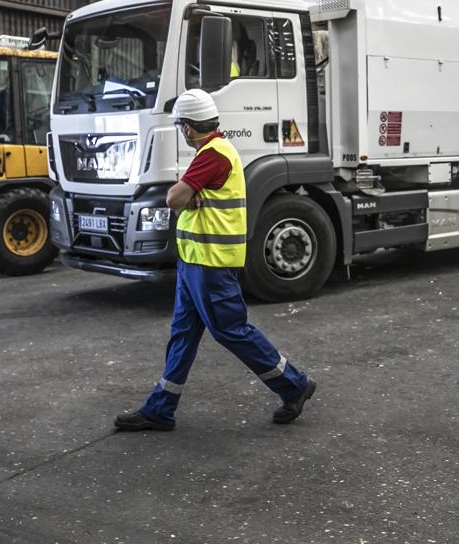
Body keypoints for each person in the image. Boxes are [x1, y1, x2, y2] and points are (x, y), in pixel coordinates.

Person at [114, 89, 316, 431]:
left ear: (190, 127)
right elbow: (185, 199)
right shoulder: (213, 153)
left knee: (231, 330)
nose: (181, 131)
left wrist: (185, 196)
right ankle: (160, 409)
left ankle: (294, 384)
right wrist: (189, 197)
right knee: (183, 334)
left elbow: (173, 197)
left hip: (211, 265)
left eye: (181, 126)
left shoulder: (214, 154)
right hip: (194, 263)